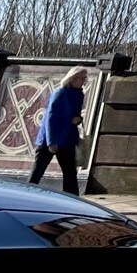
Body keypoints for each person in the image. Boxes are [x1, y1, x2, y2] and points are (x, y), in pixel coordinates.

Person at [29, 68, 89, 196]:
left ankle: (72, 199)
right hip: (50, 140)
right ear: (72, 78)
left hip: (67, 139)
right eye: (82, 78)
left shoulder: (79, 94)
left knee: (70, 174)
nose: (84, 81)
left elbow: (75, 116)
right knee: (37, 172)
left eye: (85, 78)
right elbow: (50, 118)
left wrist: (77, 120)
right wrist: (51, 141)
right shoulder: (60, 93)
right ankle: (25, 195)